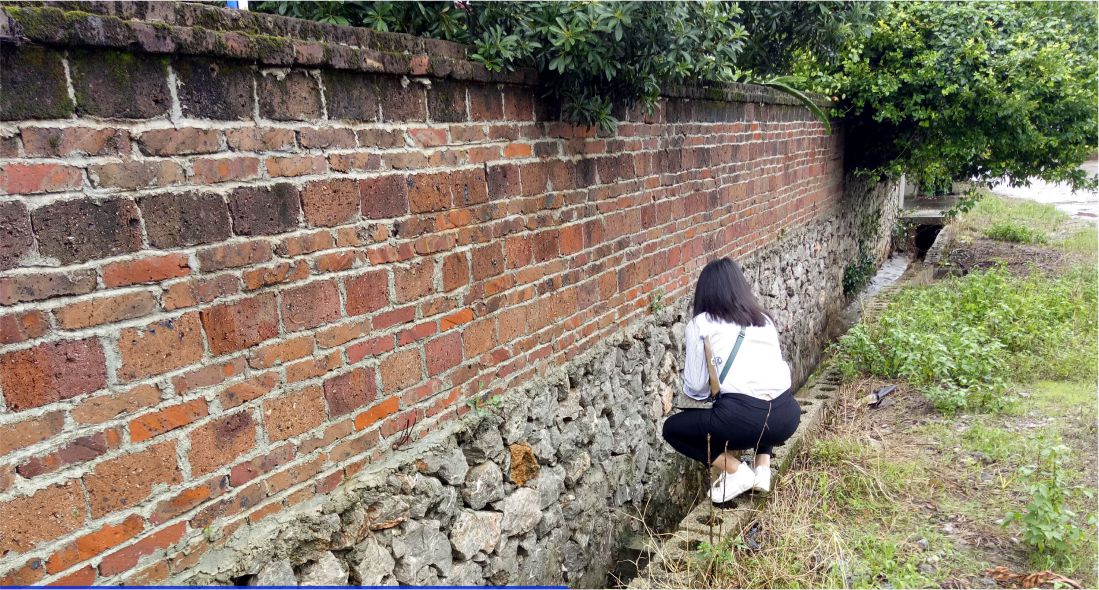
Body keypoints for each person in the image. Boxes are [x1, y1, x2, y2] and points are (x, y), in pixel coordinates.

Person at [662, 257, 801, 503]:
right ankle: (762, 470)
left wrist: (714, 390)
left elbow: (695, 387)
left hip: (743, 421)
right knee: (764, 400)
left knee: (673, 429)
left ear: (705, 292)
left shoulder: (701, 323)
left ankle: (738, 472)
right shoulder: (763, 319)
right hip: (787, 416)